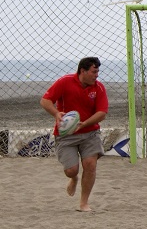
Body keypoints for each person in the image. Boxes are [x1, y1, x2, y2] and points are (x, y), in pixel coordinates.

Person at [40, 57, 109, 211]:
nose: (97, 75)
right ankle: (74, 178)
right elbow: (45, 101)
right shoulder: (65, 82)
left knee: (90, 165)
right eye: (94, 72)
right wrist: (56, 114)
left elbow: (102, 113)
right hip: (66, 133)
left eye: (98, 71)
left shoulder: (99, 87)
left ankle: (84, 203)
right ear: (82, 71)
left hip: (90, 133)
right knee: (71, 170)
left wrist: (84, 124)